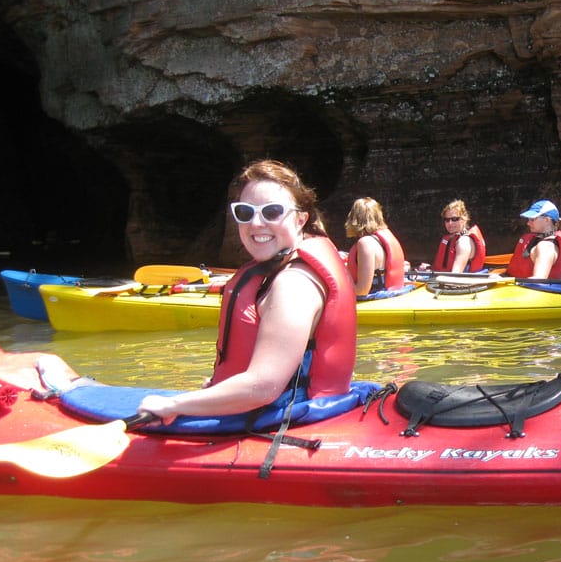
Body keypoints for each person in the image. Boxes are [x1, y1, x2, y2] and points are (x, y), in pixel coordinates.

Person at [138, 160, 356, 423]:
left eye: (272, 212)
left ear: (300, 219)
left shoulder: (293, 285)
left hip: (283, 420)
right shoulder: (277, 266)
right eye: (245, 212)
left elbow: (263, 387)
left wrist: (174, 404)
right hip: (271, 409)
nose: (256, 223)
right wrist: (221, 389)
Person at [343, 197, 407, 297]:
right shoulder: (380, 240)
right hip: (389, 294)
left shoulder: (365, 243)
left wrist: (337, 290)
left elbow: (362, 290)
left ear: (353, 218)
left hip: (374, 299)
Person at [504, 200, 561, 279]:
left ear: (547, 220)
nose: (528, 223)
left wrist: (502, 280)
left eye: (532, 219)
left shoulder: (546, 247)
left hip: (527, 289)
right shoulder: (542, 241)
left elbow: (538, 280)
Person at [421, 199, 486, 273]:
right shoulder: (454, 238)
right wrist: (429, 269)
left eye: (454, 219)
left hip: (460, 283)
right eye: (447, 220)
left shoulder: (463, 242)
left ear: (464, 219)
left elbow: (455, 275)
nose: (450, 223)